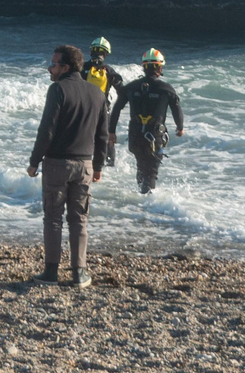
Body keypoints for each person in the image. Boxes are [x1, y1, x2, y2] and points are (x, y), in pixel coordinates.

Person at [26, 44, 109, 287]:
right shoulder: (97, 93)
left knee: (53, 217)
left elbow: (46, 130)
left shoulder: (58, 89)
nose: (50, 68)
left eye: (53, 64)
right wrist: (98, 167)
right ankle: (79, 273)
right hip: (84, 165)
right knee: (79, 219)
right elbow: (102, 135)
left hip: (57, 164)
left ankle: (51, 272)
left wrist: (34, 162)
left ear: (65, 67)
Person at [110, 48, 184, 194]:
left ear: (144, 67)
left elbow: (116, 109)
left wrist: (111, 131)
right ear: (160, 67)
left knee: (141, 167)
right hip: (154, 136)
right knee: (151, 172)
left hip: (135, 134)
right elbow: (176, 109)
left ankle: (140, 199)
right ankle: (146, 206)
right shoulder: (166, 89)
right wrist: (180, 127)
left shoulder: (131, 87)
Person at [81, 37, 126, 166]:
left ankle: (83, 163)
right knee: (106, 140)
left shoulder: (81, 68)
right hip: (102, 110)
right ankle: (109, 166)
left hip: (83, 110)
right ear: (105, 54)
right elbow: (122, 92)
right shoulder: (109, 71)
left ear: (91, 52)